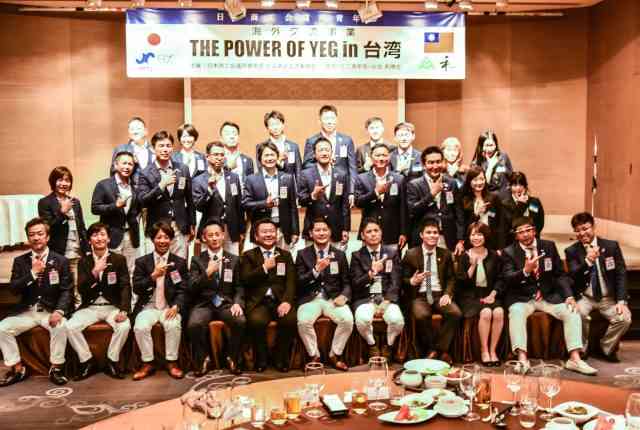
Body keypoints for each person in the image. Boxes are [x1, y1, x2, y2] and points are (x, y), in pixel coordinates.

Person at [501, 217, 597, 375]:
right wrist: (525, 271)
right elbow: (508, 279)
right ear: (516, 235)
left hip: (548, 296)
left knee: (572, 311)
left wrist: (569, 296)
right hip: (522, 298)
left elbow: (560, 274)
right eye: (521, 232)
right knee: (516, 313)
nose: (525, 234)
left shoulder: (548, 246)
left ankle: (574, 359)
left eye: (528, 230)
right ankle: (522, 359)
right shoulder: (509, 252)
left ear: (534, 230)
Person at [0, 218, 72, 386]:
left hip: (49, 311)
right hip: (27, 312)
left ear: (47, 237)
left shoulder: (61, 260)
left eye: (40, 234)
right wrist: (32, 273)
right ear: (28, 238)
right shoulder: (20, 261)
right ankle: (18, 369)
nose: (36, 237)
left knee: (61, 326)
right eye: (32, 234)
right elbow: (14, 289)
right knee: (1, 328)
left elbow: (66, 290)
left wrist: (59, 311)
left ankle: (56, 368)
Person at [66, 223, 131, 380]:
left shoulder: (118, 259)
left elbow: (125, 286)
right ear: (89, 240)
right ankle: (87, 361)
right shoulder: (84, 261)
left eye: (102, 234)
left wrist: (124, 309)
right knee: (69, 326)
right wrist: (95, 272)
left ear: (108, 239)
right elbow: (81, 289)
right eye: (95, 235)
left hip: (112, 307)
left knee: (124, 326)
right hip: (91, 307)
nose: (99, 238)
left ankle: (112, 361)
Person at [564, 212, 631, 362]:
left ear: (593, 227)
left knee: (624, 318)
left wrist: (621, 301)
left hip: (608, 298)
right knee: (576, 314)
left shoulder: (611, 246)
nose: (582, 233)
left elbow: (621, 273)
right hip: (585, 297)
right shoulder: (572, 251)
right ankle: (582, 349)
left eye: (585, 228)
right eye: (578, 230)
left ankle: (605, 347)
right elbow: (573, 275)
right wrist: (588, 261)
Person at [187, 219, 245, 376]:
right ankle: (203, 359)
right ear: (204, 238)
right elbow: (192, 287)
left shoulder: (234, 259)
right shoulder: (197, 260)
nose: (214, 238)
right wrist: (207, 273)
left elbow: (239, 286)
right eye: (210, 235)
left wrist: (238, 303)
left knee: (240, 321)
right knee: (194, 324)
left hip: (226, 303)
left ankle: (232, 357)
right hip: (204, 303)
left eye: (217, 234)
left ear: (223, 236)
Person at [131, 221, 187, 380]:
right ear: (152, 239)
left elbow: (183, 289)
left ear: (171, 240)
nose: (162, 241)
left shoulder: (179, 262)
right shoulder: (142, 262)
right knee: (140, 326)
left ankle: (172, 362)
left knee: (173, 324)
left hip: (169, 306)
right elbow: (137, 288)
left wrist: (176, 306)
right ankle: (147, 363)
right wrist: (152, 277)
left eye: (166, 237)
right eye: (159, 237)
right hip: (148, 306)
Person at [240, 218, 297, 373]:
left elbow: (291, 282)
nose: (269, 234)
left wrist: (287, 301)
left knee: (290, 320)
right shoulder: (248, 256)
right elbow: (245, 279)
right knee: (256, 322)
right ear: (256, 236)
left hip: (280, 300)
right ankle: (261, 358)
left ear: (277, 234)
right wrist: (264, 268)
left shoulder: (285, 255)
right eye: (264, 232)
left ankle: (280, 358)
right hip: (259, 302)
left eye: (272, 231)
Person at [401, 219, 461, 365]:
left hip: (439, 294)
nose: (432, 235)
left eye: (435, 232)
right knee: (421, 315)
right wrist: (412, 281)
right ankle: (435, 350)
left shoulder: (445, 254)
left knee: (455, 313)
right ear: (421, 235)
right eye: (428, 232)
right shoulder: (411, 254)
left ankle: (437, 350)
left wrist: (447, 294)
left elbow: (451, 278)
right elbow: (402, 279)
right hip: (420, 296)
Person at [296, 218, 352, 371]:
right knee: (303, 322)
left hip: (333, 299)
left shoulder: (339, 254)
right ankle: (314, 355)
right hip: (310, 298)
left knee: (347, 320)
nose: (321, 233)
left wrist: (344, 296)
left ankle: (335, 354)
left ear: (330, 232)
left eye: (324, 230)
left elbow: (347, 282)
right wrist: (315, 270)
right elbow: (299, 282)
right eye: (317, 230)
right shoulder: (302, 254)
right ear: (311, 233)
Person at [350, 219, 404, 362]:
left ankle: (388, 345)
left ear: (381, 233)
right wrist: (371, 273)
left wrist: (387, 300)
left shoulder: (392, 253)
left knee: (397, 320)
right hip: (365, 298)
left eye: (376, 231)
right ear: (363, 235)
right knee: (362, 320)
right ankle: (372, 345)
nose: (373, 234)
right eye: (369, 232)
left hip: (386, 298)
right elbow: (355, 284)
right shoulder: (356, 256)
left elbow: (396, 280)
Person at [137, 130, 195, 259]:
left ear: (172, 148)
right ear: (153, 149)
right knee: (158, 265)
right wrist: (161, 185)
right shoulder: (145, 173)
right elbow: (142, 200)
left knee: (179, 265)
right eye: (161, 146)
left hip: (180, 226)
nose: (165, 149)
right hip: (157, 228)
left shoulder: (183, 169)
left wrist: (192, 223)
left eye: (168, 146)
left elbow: (189, 199)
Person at [455, 222, 503, 366]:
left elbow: (500, 278)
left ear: (485, 236)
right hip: (469, 297)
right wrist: (473, 265)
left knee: (499, 312)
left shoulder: (494, 255)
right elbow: (462, 283)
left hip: (489, 294)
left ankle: (493, 351)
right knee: (486, 312)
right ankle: (484, 351)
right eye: (473, 234)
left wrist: (493, 295)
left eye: (479, 234)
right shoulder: (464, 256)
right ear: (469, 237)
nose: (476, 237)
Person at [38, 166, 90, 290]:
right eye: (60, 180)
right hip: (58, 252)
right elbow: (48, 228)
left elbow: (82, 228)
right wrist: (62, 212)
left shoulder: (75, 202)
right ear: (53, 181)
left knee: (77, 287)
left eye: (67, 180)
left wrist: (87, 249)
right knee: (60, 287)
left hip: (77, 251)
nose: (63, 183)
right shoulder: (45, 202)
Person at [406, 146, 465, 253]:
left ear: (443, 162)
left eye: (438, 162)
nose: (435, 166)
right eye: (431, 162)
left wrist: (460, 239)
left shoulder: (451, 183)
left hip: (447, 238)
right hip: (423, 239)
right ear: (424, 165)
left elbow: (459, 213)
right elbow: (413, 211)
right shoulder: (414, 185)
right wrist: (431, 194)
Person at [91, 150, 141, 275]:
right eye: (124, 163)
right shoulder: (103, 185)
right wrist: (115, 206)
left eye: (130, 164)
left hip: (131, 236)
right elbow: (95, 208)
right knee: (111, 272)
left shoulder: (134, 187)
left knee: (131, 271)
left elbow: (136, 210)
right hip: (112, 236)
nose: (127, 167)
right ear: (115, 165)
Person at [243, 142, 299, 250]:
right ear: (260, 159)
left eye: (272, 155)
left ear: (277, 157)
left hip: (283, 230)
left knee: (282, 259)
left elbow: (293, 207)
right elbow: (246, 204)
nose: (269, 158)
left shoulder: (287, 178)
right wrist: (264, 204)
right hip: (261, 230)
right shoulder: (251, 180)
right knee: (262, 259)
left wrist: (295, 231)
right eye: (266, 155)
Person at [193, 141, 245, 255]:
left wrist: (242, 229)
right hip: (210, 229)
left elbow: (239, 205)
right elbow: (198, 206)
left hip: (231, 229)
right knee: (210, 261)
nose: (219, 158)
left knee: (233, 261)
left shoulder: (233, 177)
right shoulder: (199, 180)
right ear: (207, 157)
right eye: (216, 154)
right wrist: (209, 190)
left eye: (222, 155)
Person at [298, 137, 350, 249]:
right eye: (321, 150)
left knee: (335, 260)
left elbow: (345, 205)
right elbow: (301, 200)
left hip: (336, 230)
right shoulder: (305, 174)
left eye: (327, 150)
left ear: (332, 153)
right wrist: (313, 196)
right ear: (314, 154)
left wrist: (346, 228)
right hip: (313, 230)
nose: (324, 153)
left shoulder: (342, 174)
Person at [354, 143, 407, 250]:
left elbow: (403, 208)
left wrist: (404, 232)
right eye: (377, 155)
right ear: (371, 158)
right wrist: (375, 193)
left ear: (389, 157)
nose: (381, 158)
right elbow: (358, 202)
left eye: (384, 155)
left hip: (392, 233)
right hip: (369, 233)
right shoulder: (361, 178)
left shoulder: (399, 179)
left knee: (392, 261)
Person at [302, 105, 357, 206]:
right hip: (320, 186)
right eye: (326, 118)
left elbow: (352, 168)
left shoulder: (346, 140)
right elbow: (306, 165)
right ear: (319, 121)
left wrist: (352, 191)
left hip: (341, 187)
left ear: (337, 120)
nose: (330, 122)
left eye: (332, 118)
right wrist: (322, 163)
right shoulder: (312, 141)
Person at [460, 166, 506, 251]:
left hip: (492, 242)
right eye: (475, 180)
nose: (479, 182)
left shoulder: (494, 198)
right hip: (473, 242)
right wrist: (476, 214)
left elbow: (501, 224)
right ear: (469, 181)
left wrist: (500, 247)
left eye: (482, 179)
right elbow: (463, 225)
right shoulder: (464, 200)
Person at [256, 110, 302, 184]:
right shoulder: (261, 147)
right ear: (267, 128)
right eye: (271, 125)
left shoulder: (293, 146)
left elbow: (298, 171)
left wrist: (298, 189)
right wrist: (278, 160)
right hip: (270, 184)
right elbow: (261, 169)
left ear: (283, 125)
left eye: (277, 124)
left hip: (289, 185)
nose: (275, 127)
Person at [502, 171, 544, 246]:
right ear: (510, 186)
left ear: (525, 186)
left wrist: (531, 235)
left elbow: (540, 222)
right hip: (514, 243)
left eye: (521, 184)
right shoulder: (505, 204)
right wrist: (521, 205)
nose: (518, 188)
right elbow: (511, 224)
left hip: (533, 241)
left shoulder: (534, 202)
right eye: (515, 185)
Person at [471, 130, 513, 199]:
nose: (489, 149)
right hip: (489, 200)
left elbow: (511, 177)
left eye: (491, 145)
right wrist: (490, 167)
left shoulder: (503, 157)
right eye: (486, 145)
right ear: (481, 146)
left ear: (496, 145)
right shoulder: (476, 163)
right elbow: (480, 186)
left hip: (505, 199)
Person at [110, 116, 155, 181]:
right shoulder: (121, 149)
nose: (135, 132)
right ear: (129, 133)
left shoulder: (154, 150)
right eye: (132, 129)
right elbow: (113, 173)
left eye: (138, 128)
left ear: (146, 131)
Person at [220, 121, 254, 193]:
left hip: (243, 197)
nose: (232, 137)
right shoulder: (217, 158)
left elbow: (251, 183)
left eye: (235, 134)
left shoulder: (248, 160)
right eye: (227, 134)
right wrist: (228, 168)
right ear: (221, 139)